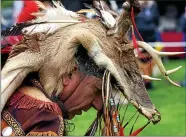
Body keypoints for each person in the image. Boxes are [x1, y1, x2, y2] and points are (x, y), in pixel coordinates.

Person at [1, 0, 164, 136]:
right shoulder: (45, 118)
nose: (99, 105)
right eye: (97, 90)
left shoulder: (15, 90)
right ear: (68, 73)